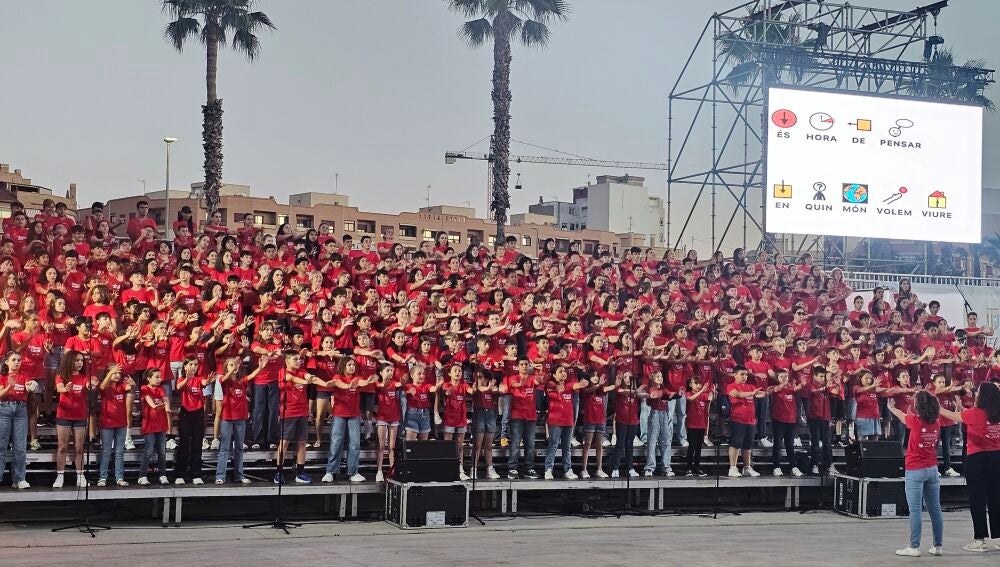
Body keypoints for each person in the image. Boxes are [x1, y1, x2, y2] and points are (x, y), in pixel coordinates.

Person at [933, 382, 1000, 552]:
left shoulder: (975, 413)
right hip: (997, 457)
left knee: (977, 498)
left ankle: (980, 539)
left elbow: (951, 415)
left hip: (976, 458)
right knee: (996, 498)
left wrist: (935, 405)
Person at [887, 391, 945, 557]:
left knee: (915, 510)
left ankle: (914, 547)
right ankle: (938, 546)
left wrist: (891, 408)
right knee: (935, 509)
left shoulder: (915, 421)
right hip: (932, 469)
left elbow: (902, 415)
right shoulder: (937, 423)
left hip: (915, 469)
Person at [321, 357, 373, 483]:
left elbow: (361, 382)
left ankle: (353, 472)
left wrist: (367, 381)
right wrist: (349, 385)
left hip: (354, 415)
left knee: (355, 444)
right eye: (349, 365)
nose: (352, 367)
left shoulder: (357, 378)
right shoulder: (337, 377)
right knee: (336, 443)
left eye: (353, 365)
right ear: (343, 366)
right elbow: (339, 384)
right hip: (339, 414)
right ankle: (330, 471)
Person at [53, 350, 90, 488]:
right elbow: (59, 388)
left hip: (80, 416)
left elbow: (88, 386)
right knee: (62, 447)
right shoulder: (61, 376)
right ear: (70, 361)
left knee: (79, 448)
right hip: (64, 415)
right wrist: (65, 389)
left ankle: (80, 476)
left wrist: (91, 386)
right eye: (77, 360)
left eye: (81, 360)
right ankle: (60, 476)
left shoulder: (85, 377)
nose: (80, 363)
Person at [0, 352, 35, 489]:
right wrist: (10, 386)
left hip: (20, 410)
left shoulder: (24, 375)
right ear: (7, 362)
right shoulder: (2, 376)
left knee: (20, 447)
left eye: (19, 360)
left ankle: (19, 479)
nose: (16, 362)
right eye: (13, 360)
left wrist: (32, 386)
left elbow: (29, 386)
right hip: (4, 409)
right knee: (1, 446)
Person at [216, 357, 253, 485]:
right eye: (231, 365)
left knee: (239, 448)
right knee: (224, 448)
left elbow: (251, 376)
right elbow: (223, 379)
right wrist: (231, 370)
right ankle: (220, 476)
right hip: (227, 418)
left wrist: (261, 367)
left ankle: (239, 475)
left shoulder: (241, 381)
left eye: (235, 365)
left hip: (240, 418)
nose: (234, 367)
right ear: (226, 368)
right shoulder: (223, 380)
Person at [544, 365, 582, 480]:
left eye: (564, 371)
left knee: (567, 447)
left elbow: (576, 385)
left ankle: (567, 469)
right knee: (553, 445)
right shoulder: (550, 385)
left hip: (568, 421)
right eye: (560, 371)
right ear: (554, 375)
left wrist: (583, 383)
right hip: (555, 421)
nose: (563, 373)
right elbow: (548, 385)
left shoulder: (568, 385)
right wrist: (556, 387)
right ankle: (548, 469)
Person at [98, 364, 132, 487]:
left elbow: (131, 386)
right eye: (115, 373)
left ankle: (119, 477)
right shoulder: (105, 386)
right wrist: (110, 373)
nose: (117, 375)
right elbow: (101, 387)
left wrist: (132, 382)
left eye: (119, 373)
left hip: (121, 423)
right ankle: (102, 477)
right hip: (107, 423)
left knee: (119, 452)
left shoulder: (121, 386)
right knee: (106, 451)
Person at [174, 356, 207, 485]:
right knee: (184, 444)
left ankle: (196, 474)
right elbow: (178, 387)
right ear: (185, 366)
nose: (194, 367)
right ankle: (180, 474)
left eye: (196, 365)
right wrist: (187, 378)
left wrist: (208, 381)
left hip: (198, 413)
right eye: (191, 364)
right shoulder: (181, 379)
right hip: (186, 413)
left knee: (197, 444)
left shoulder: (199, 378)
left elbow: (204, 382)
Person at [726, 366, 764, 477]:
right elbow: (737, 394)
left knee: (747, 445)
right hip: (738, 419)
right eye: (742, 374)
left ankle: (747, 467)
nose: (745, 376)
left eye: (746, 374)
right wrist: (752, 393)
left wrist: (770, 391)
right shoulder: (731, 386)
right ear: (734, 374)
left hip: (750, 420)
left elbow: (759, 394)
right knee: (736, 443)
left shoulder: (750, 386)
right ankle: (732, 468)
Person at [137, 368, 171, 486]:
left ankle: (162, 474)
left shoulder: (160, 389)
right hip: (149, 424)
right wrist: (155, 406)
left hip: (161, 424)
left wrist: (167, 407)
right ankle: (142, 476)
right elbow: (148, 399)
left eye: (160, 377)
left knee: (162, 451)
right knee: (149, 450)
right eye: (157, 377)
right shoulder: (144, 388)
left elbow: (165, 399)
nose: (160, 379)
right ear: (149, 378)